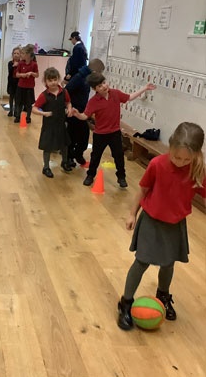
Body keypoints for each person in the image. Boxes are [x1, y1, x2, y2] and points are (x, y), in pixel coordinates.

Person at [118, 122, 206, 330]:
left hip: (175, 225)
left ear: (196, 155)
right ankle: (126, 302)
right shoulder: (157, 164)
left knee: (168, 264)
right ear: (170, 146)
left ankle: (163, 296)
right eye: (176, 157)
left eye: (186, 159)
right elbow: (143, 191)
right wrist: (132, 214)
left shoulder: (198, 170)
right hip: (151, 221)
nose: (181, 162)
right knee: (142, 262)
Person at [72, 73, 156, 188]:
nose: (104, 86)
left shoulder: (115, 93)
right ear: (95, 89)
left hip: (115, 133)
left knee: (119, 156)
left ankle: (121, 177)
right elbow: (85, 116)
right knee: (95, 156)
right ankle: (90, 175)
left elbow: (129, 97)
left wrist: (145, 88)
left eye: (104, 83)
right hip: (100, 134)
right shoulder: (93, 101)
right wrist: (77, 114)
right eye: (99, 86)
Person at [32, 67, 73, 178]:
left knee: (64, 144)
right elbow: (34, 108)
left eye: (55, 79)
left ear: (58, 79)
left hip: (61, 123)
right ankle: (46, 167)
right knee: (48, 147)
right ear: (45, 82)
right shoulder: (44, 95)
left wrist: (69, 109)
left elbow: (68, 102)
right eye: (50, 80)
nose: (53, 82)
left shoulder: (64, 92)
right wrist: (43, 113)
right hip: (49, 126)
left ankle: (64, 162)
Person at [65, 58, 105, 166]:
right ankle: (69, 157)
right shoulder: (79, 77)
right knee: (73, 135)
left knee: (83, 136)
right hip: (74, 111)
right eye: (100, 72)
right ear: (95, 71)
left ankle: (77, 155)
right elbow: (66, 90)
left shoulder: (87, 78)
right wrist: (69, 106)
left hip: (81, 111)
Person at [14, 44, 39, 124]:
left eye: (23, 53)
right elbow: (17, 74)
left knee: (28, 103)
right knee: (19, 103)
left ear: (28, 55)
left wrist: (31, 73)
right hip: (21, 86)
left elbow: (37, 75)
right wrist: (23, 75)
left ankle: (28, 117)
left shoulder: (34, 64)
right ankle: (17, 116)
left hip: (29, 87)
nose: (21, 55)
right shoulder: (21, 63)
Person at [7, 46, 21, 117]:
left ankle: (16, 111)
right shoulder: (10, 63)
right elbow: (10, 71)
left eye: (18, 53)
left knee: (17, 97)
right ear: (12, 54)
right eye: (14, 53)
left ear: (20, 55)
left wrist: (18, 65)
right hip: (11, 82)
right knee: (11, 97)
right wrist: (14, 66)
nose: (16, 55)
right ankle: (11, 110)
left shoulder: (21, 63)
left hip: (18, 83)